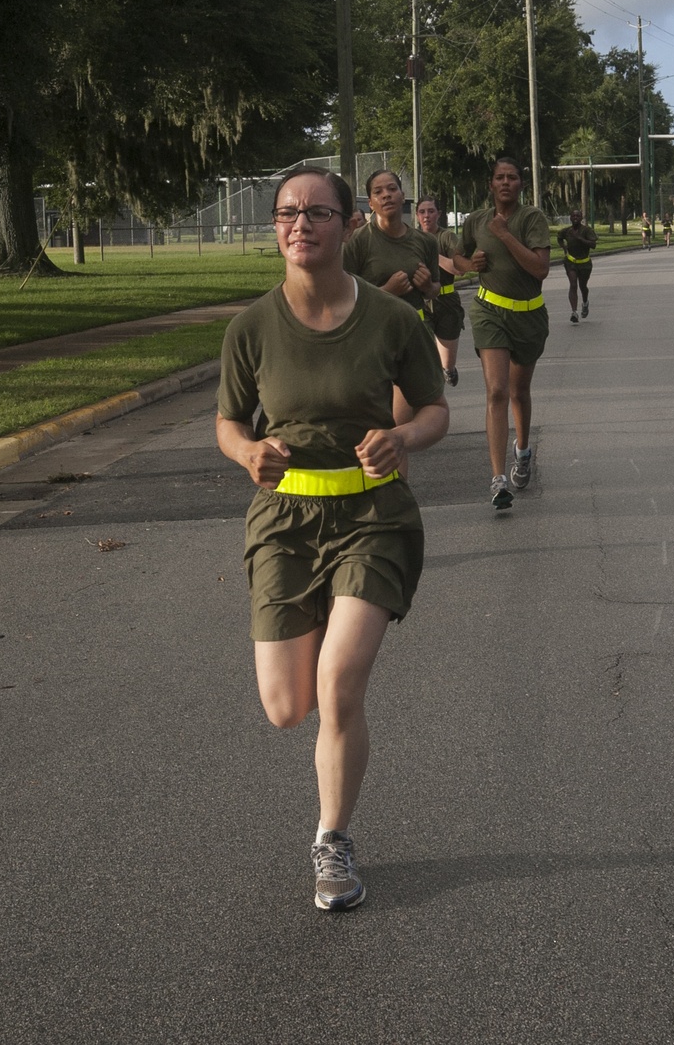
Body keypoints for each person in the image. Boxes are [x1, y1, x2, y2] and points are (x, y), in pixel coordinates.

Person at [216, 167, 449, 912]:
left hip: (372, 517)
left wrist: (403, 435)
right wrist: (247, 452)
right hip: (285, 522)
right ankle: (329, 762)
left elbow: (435, 412)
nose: (300, 224)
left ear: (347, 225)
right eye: (287, 212)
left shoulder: (389, 321)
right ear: (275, 226)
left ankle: (332, 842)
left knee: (339, 685)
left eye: (318, 212)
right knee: (287, 706)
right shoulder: (251, 328)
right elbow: (227, 421)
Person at [454, 156, 551, 509]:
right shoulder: (476, 221)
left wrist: (505, 236)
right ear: (491, 184)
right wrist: (470, 265)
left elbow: (540, 270)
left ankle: (522, 452)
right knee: (497, 390)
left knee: (518, 392)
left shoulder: (532, 219)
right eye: (500, 177)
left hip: (528, 317)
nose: (506, 182)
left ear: (521, 184)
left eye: (512, 177)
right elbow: (459, 261)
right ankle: (497, 480)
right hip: (488, 311)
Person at [343, 170, 441, 421]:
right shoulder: (358, 242)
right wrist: (387, 291)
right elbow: (344, 296)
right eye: (378, 192)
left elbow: (434, 290)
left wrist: (428, 285)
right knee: (375, 421)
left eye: (391, 189)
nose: (386, 195)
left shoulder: (425, 242)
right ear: (371, 201)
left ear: (402, 195)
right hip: (372, 335)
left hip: (413, 333)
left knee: (400, 423)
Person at [415, 195, 465, 384]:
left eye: (431, 211)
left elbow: (458, 269)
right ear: (417, 215)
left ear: (439, 214)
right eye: (422, 212)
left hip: (447, 303)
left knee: (446, 368)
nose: (426, 216)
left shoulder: (447, 237)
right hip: (421, 304)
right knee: (425, 359)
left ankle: (449, 370)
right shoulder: (411, 238)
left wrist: (432, 255)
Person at [556, 208, 597, 323]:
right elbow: (559, 237)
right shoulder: (567, 231)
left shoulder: (587, 230)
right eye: (573, 216)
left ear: (581, 218)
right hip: (571, 262)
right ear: (570, 217)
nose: (575, 218)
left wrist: (580, 238)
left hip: (585, 263)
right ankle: (574, 312)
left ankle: (585, 302)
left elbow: (593, 245)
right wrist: (564, 248)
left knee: (582, 286)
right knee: (573, 284)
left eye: (578, 216)